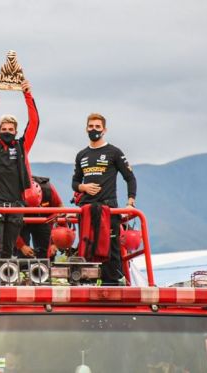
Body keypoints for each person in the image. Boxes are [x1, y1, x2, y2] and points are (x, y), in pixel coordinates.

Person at [0, 78, 40, 260]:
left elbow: (34, 123)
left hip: (16, 203)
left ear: (16, 131)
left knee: (9, 249)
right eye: (4, 128)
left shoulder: (22, 147)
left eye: (11, 128)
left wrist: (27, 94)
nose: (7, 131)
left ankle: (6, 283)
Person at [71, 113, 137, 284]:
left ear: (104, 130)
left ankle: (113, 285)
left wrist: (130, 203)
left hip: (109, 209)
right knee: (87, 246)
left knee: (111, 249)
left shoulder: (114, 152)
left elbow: (130, 178)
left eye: (97, 127)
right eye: (91, 126)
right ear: (86, 128)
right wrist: (83, 187)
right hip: (87, 210)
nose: (94, 130)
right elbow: (75, 182)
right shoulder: (81, 155)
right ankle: (87, 284)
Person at [16, 176, 64, 260]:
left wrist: (55, 243)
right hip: (21, 221)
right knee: (22, 255)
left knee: (47, 254)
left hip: (43, 219)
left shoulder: (48, 190)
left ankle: (44, 269)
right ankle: (22, 268)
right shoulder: (14, 195)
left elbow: (62, 214)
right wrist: (21, 246)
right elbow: (10, 227)